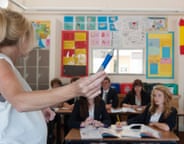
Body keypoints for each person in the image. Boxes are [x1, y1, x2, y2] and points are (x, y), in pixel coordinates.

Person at [0, 9, 106, 144]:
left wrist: (38, 109)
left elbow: (13, 101)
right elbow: (19, 102)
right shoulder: (1, 62)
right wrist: (74, 89)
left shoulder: (7, 64)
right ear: (23, 38)